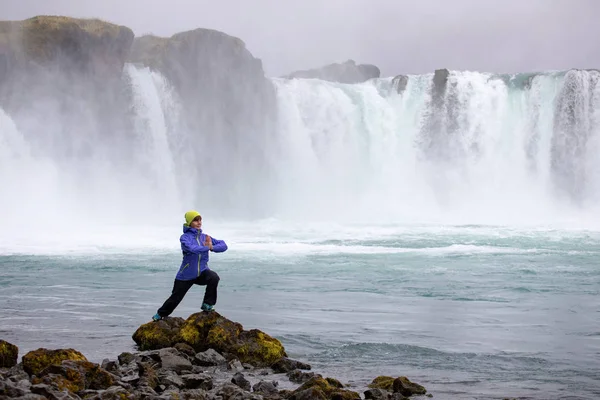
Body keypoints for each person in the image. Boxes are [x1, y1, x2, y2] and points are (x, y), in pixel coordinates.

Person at [152, 210, 228, 321]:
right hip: (186, 274)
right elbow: (192, 249)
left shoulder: (205, 237)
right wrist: (207, 247)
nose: (199, 222)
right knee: (175, 298)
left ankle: (207, 304)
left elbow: (224, 245)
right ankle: (160, 314)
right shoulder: (184, 238)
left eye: (200, 220)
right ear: (189, 222)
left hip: (202, 272)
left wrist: (212, 247)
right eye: (195, 220)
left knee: (214, 277)